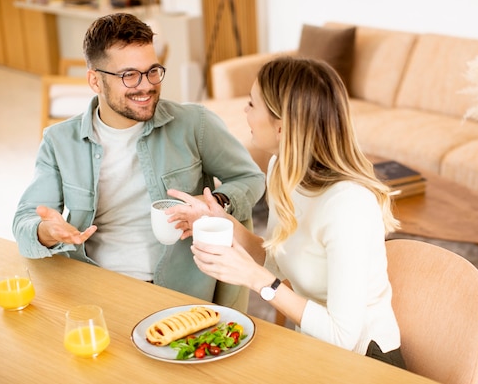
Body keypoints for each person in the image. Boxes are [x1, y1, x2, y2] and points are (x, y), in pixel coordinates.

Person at [12, 13, 265, 311]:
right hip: (95, 288)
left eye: (152, 71)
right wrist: (46, 232)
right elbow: (25, 221)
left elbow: (250, 178)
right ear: (95, 80)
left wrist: (216, 202)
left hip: (180, 293)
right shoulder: (59, 141)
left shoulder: (195, 124)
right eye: (129, 75)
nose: (146, 86)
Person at [168, 57, 406, 368]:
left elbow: (342, 337)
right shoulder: (281, 169)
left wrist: (258, 280)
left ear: (280, 127)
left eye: (252, 104)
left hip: (365, 363)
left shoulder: (348, 206)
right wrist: (220, 223)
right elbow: (279, 261)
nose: (245, 111)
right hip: (310, 348)